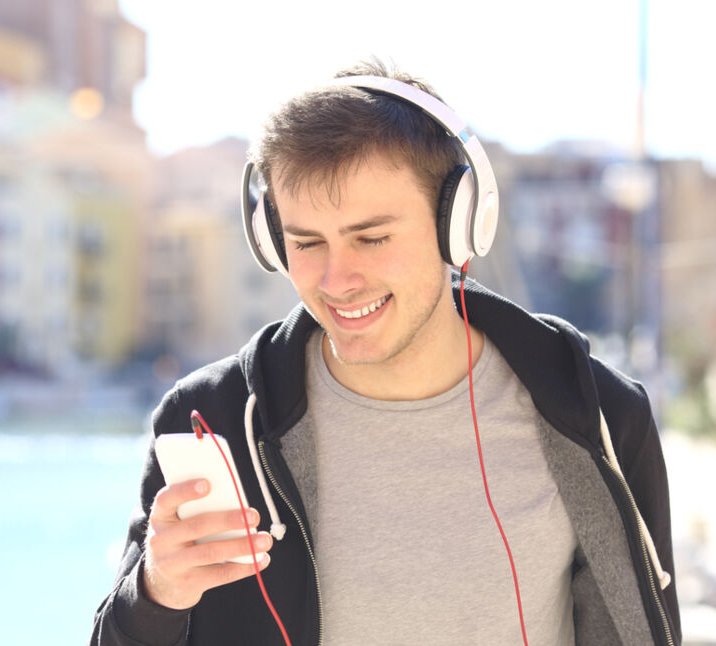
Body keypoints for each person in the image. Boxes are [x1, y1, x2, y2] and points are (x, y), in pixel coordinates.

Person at [90, 57, 680, 645]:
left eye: (372, 238)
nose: (337, 279)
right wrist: (157, 592)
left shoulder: (598, 415)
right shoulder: (213, 420)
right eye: (306, 242)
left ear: (458, 222)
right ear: (271, 240)